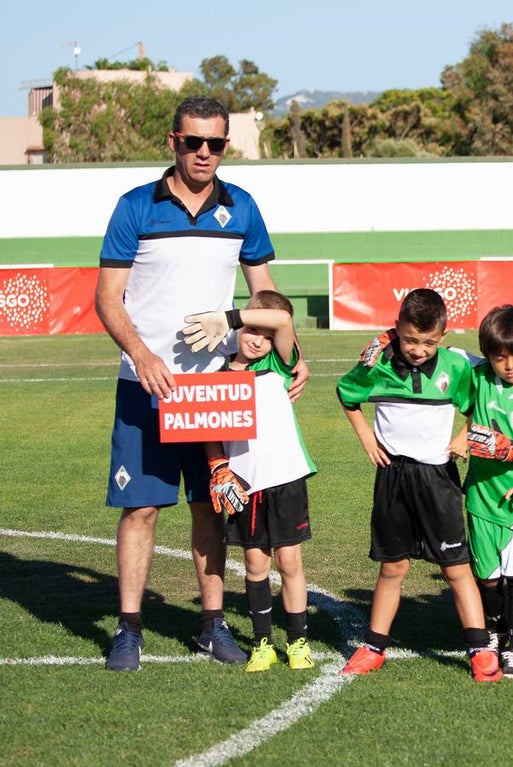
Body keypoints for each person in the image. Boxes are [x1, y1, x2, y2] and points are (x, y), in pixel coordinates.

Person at [97, 96, 308, 672]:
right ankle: (129, 629)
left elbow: (266, 296)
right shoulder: (136, 207)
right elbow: (105, 297)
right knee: (140, 510)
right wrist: (140, 354)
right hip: (145, 386)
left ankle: (213, 627)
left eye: (216, 143)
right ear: (174, 142)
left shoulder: (242, 208)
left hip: (216, 389)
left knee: (212, 505)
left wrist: (295, 356)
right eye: (194, 142)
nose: (205, 154)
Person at [335, 288, 502, 682]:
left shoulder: (456, 367)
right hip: (392, 476)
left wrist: (465, 435)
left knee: (455, 567)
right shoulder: (377, 364)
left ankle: (480, 651)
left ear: (442, 337)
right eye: (410, 340)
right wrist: (365, 438)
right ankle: (374, 648)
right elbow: (347, 394)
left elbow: (482, 402)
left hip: (437, 479)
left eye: (428, 342)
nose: (418, 350)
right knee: (393, 566)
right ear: (396, 330)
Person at [186, 291, 318, 672]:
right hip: (246, 484)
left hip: (287, 478)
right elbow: (208, 431)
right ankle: (263, 643)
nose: (258, 338)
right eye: (251, 330)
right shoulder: (218, 378)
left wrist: (229, 316)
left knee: (290, 562)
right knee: (255, 564)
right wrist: (217, 467)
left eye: (265, 332)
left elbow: (284, 323)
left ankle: (298, 642)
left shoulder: (280, 364)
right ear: (241, 330)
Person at [449, 305, 513, 680]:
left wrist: (509, 448)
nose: (509, 365)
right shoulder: (481, 377)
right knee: (487, 575)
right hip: (479, 494)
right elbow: (449, 354)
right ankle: (494, 632)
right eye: (499, 357)